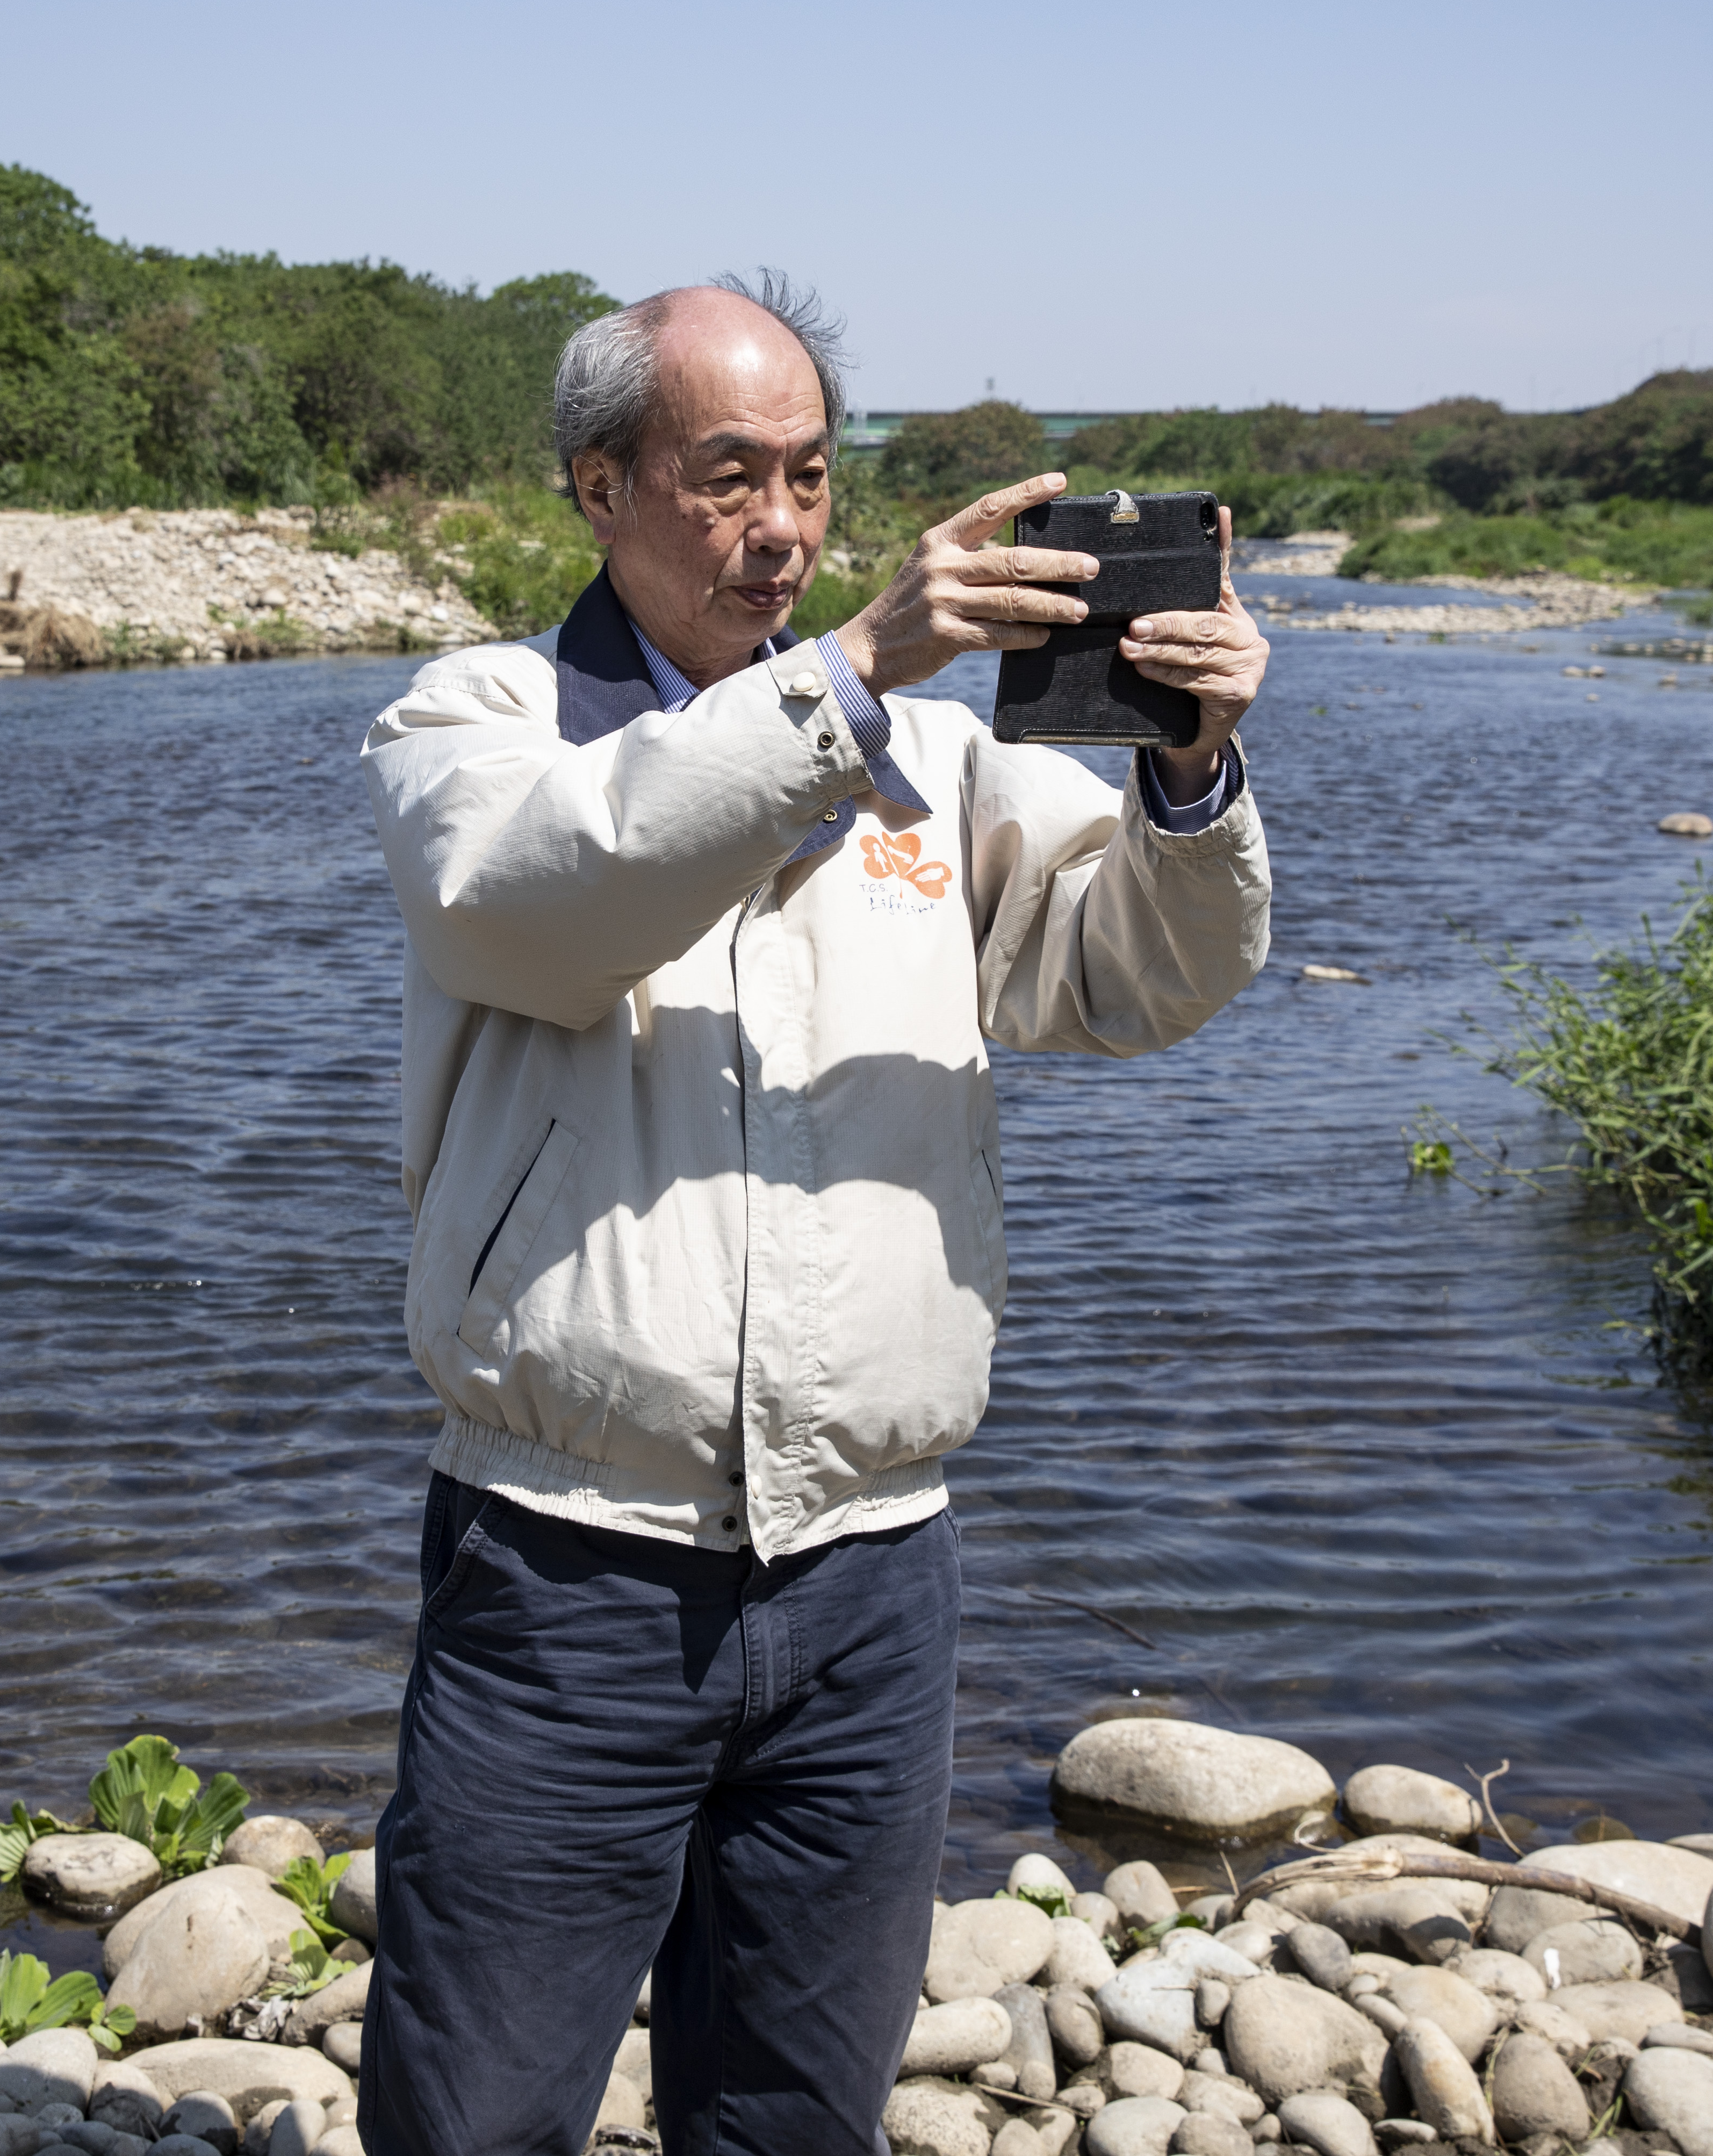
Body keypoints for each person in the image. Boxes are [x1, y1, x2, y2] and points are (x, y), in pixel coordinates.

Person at [355, 273, 1271, 2154]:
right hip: (567, 1570)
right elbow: (536, 900)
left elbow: (1132, 978)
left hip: (874, 1579)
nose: (781, 525)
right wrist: (847, 678)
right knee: (472, 2119)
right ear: (598, 487)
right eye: (728, 477)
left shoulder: (942, 763)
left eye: (811, 475)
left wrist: (1186, 773)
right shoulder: (482, 719)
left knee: (795, 2121)